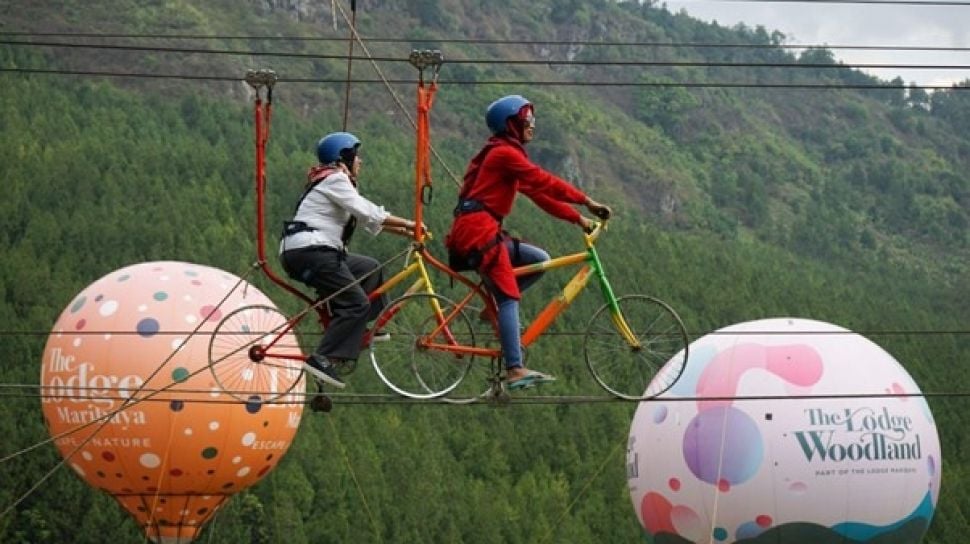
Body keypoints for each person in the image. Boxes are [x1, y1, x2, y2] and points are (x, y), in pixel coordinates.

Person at [445, 95, 612, 391]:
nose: (532, 125)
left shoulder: (506, 156)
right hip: (478, 233)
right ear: (511, 124)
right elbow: (545, 181)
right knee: (510, 297)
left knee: (537, 259)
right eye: (527, 120)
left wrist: (578, 219)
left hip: (479, 230)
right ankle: (514, 368)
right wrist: (587, 201)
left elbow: (539, 194)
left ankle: (493, 307)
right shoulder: (504, 155)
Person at [280, 131, 418, 389]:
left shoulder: (332, 180)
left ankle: (370, 327)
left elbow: (368, 218)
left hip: (315, 252)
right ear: (345, 156)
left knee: (369, 268)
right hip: (311, 253)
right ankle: (323, 358)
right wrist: (410, 223)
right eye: (357, 155)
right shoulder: (335, 179)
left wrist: (407, 230)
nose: (361, 161)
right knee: (356, 304)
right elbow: (367, 211)